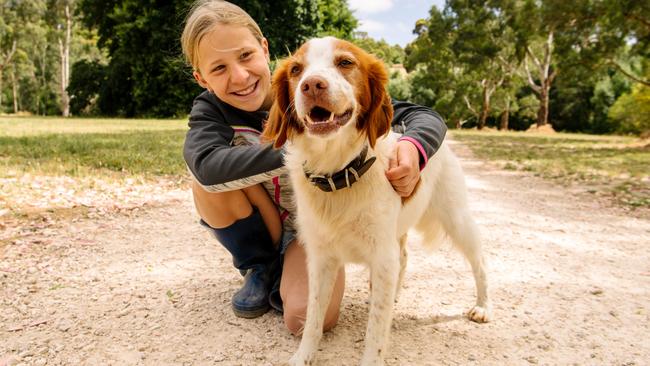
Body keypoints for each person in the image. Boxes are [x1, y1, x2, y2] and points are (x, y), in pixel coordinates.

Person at [180, 0, 447, 335]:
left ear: (264, 48)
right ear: (201, 78)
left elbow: (422, 115)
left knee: (303, 319)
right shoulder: (210, 110)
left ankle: (288, 273)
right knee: (205, 182)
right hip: (262, 218)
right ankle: (259, 267)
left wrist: (414, 146)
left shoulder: (307, 80)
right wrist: (303, 145)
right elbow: (206, 165)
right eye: (218, 68)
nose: (239, 76)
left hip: (308, 227)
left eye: (245, 55)